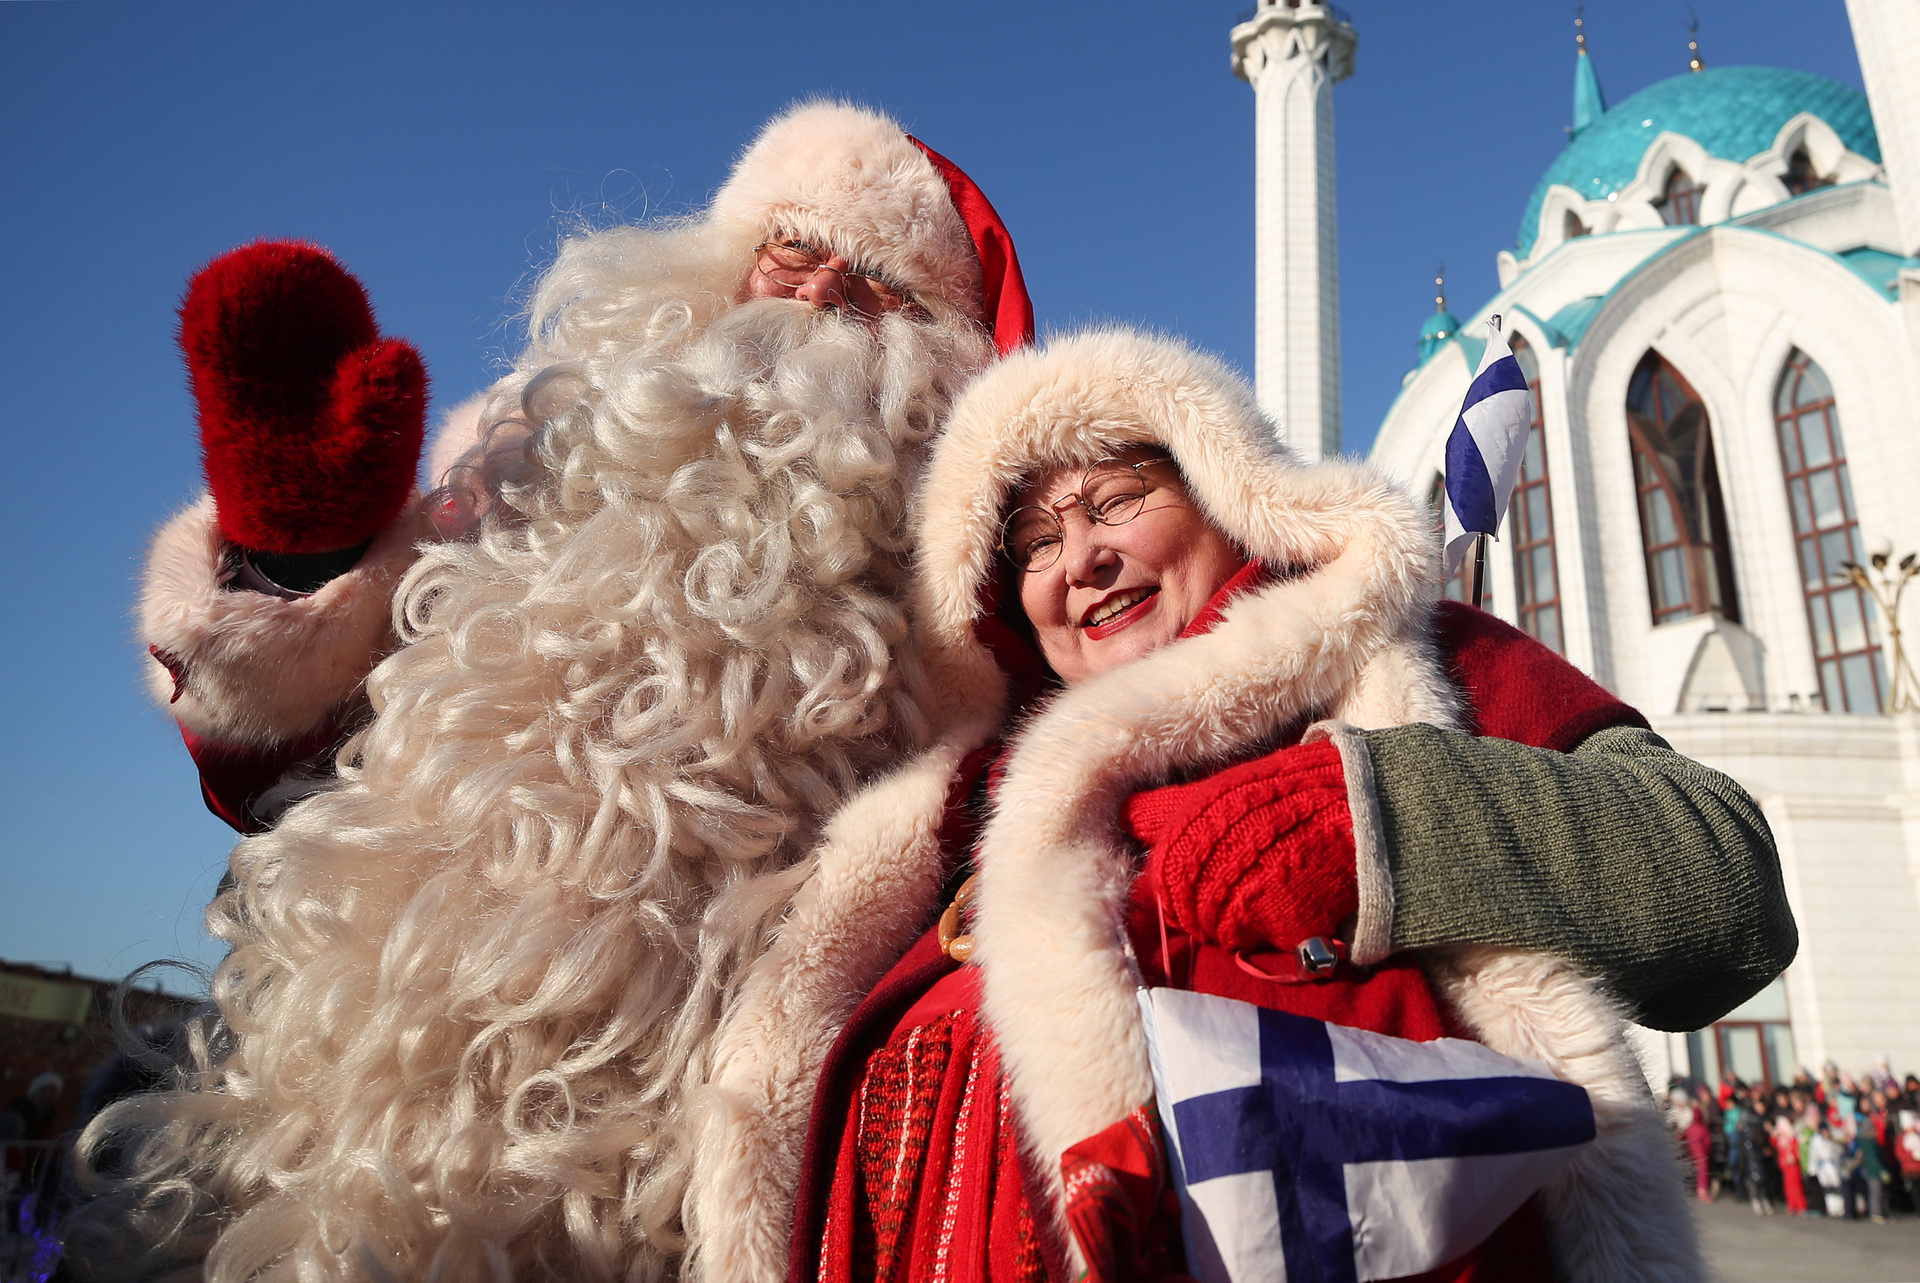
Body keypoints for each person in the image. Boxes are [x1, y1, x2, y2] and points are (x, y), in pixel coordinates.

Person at [68, 101, 1033, 1281]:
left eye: (881, 281)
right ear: (719, 268)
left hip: (673, 1161)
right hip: (362, 1077)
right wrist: (300, 551)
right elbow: (290, 761)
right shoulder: (523, 468)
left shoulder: (964, 612)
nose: (823, 289)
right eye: (792, 247)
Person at [695, 330, 1793, 1283]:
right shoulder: (952, 812)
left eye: (1119, 498)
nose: (1082, 557)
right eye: (1033, 541)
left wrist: (1375, 817)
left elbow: (1723, 879)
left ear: (1228, 491)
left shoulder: (1388, 653)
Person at [1771, 1114, 1806, 1215]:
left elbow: (1797, 1149)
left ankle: (1800, 1206)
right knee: (1788, 1186)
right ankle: (1792, 1205)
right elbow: (1773, 1141)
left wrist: (1794, 1157)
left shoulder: (1792, 1139)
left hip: (1793, 1165)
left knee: (1796, 1185)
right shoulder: (1781, 1140)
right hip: (1785, 1165)